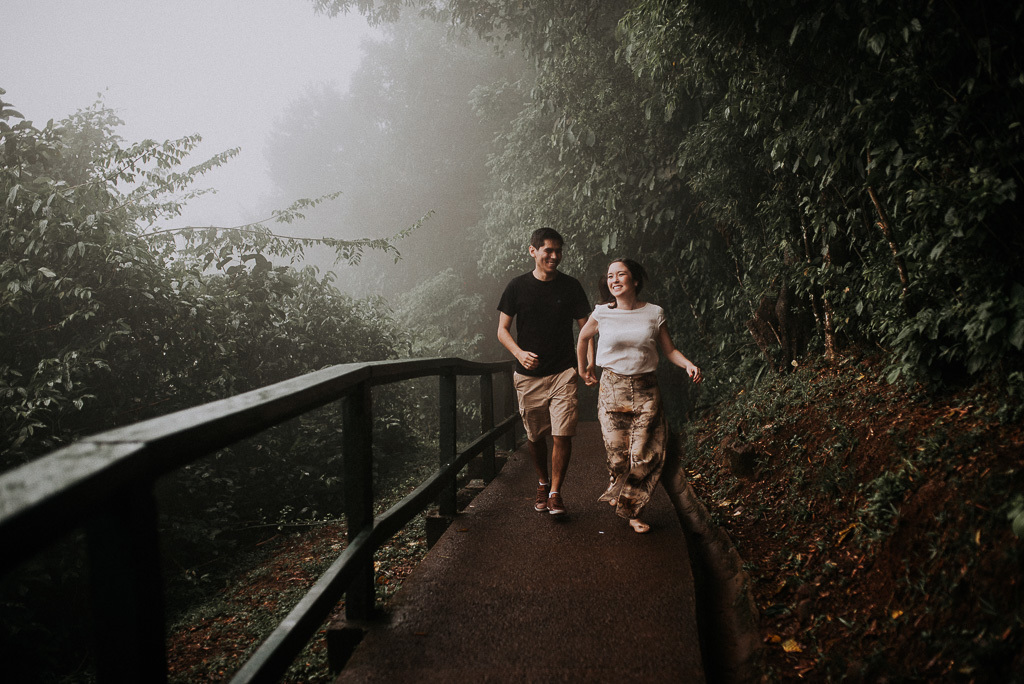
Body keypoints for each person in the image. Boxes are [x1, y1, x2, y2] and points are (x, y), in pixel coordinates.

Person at [576, 258, 702, 533]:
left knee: (644, 455)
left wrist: (688, 364)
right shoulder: (601, 313)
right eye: (610, 275)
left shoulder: (654, 313)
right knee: (617, 456)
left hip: (646, 390)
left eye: (621, 274)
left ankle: (632, 510)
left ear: (634, 280)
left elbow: (669, 350)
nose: (614, 280)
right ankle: (617, 479)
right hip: (612, 389)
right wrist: (584, 367)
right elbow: (583, 337)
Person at [498, 227, 592, 515]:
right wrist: (519, 353)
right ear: (533, 251)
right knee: (535, 436)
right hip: (528, 377)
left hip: (563, 371)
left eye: (558, 251)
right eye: (548, 250)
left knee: (563, 433)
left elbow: (587, 328)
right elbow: (502, 330)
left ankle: (555, 492)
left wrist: (586, 363)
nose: (554, 256)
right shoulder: (517, 286)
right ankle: (542, 481)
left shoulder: (570, 286)